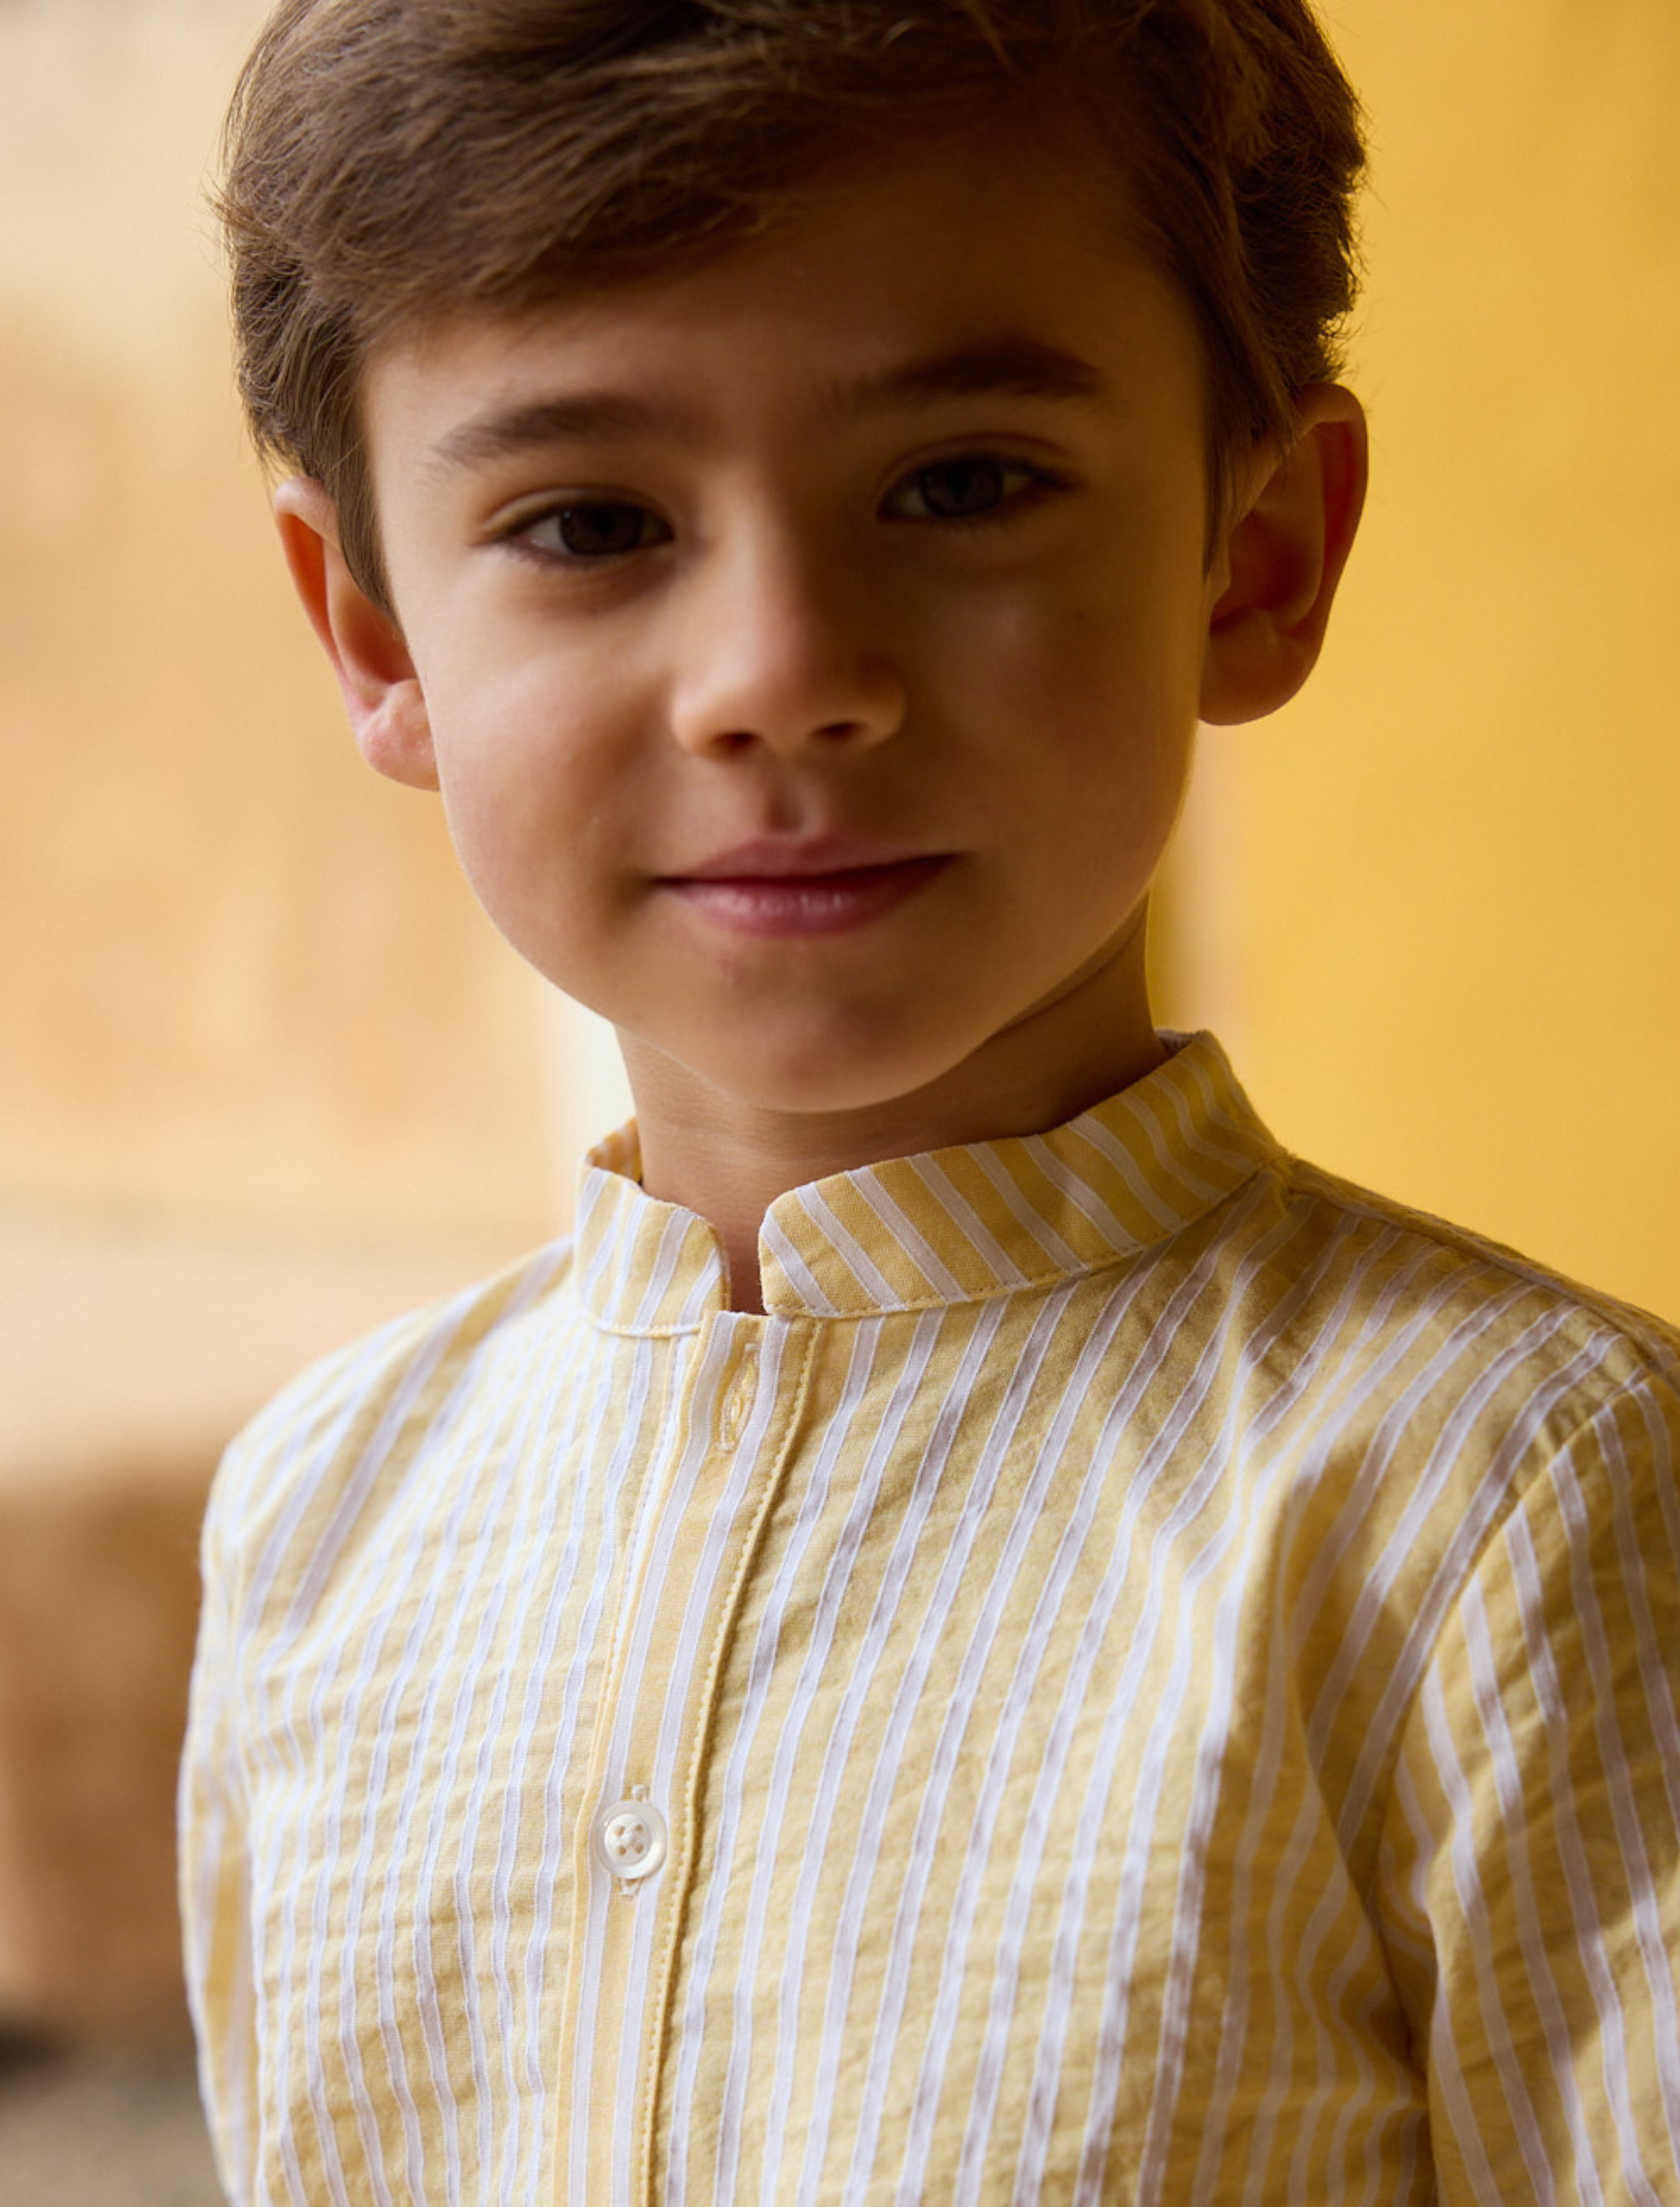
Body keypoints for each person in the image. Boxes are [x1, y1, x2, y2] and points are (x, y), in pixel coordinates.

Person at [178, 2, 1680, 2201]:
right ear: (376, 635)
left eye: (963, 483)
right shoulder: (319, 1519)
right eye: (590, 521)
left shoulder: (1507, 1509)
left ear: (1254, 556)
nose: (783, 668)